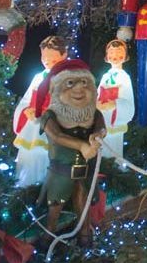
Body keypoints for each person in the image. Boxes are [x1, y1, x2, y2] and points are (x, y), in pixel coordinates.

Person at [35, 60, 106, 246]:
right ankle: (48, 238)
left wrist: (96, 137)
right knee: (55, 205)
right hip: (61, 172)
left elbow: (101, 128)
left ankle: (84, 236)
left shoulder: (95, 115)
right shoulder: (50, 116)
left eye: (85, 83)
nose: (79, 89)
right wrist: (82, 146)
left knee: (83, 202)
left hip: (85, 170)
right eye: (70, 83)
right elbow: (57, 136)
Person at [13, 35, 66, 187]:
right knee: (27, 157)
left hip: (50, 129)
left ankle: (43, 190)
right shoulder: (38, 77)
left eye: (53, 60)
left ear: (64, 55)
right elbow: (26, 100)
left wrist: (47, 115)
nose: (48, 63)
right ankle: (23, 187)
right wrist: (26, 111)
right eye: (45, 59)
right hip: (31, 128)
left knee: (45, 158)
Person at [97, 40, 135, 160]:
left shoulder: (124, 77)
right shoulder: (105, 76)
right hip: (102, 119)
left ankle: (113, 171)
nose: (115, 57)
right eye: (111, 54)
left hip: (114, 119)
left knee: (113, 150)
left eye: (119, 54)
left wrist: (114, 104)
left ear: (124, 56)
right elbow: (99, 94)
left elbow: (128, 101)